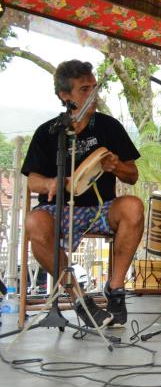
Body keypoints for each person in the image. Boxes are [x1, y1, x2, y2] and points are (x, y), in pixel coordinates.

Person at [21, 60, 144, 328]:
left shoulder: (109, 127)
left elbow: (132, 175)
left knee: (133, 206)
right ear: (64, 96)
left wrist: (117, 166)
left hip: (101, 208)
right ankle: (79, 298)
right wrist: (51, 183)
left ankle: (115, 288)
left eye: (93, 88)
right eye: (84, 90)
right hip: (58, 210)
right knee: (34, 222)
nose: (92, 95)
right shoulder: (48, 132)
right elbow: (33, 180)